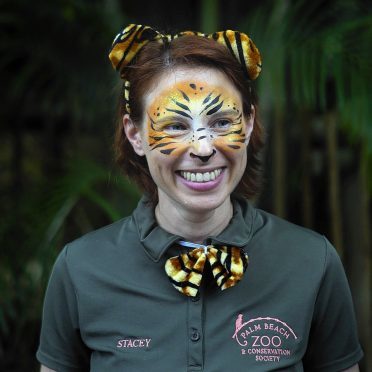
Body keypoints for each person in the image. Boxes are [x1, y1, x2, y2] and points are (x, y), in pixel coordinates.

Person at [37, 24, 363, 371]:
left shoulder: (312, 261)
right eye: (176, 126)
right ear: (135, 134)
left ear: (249, 122)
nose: (204, 148)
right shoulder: (80, 268)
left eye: (222, 122)